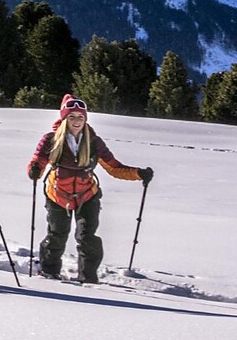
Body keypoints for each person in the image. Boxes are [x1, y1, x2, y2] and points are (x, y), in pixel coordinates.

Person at [27, 94, 153, 284]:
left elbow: (114, 167)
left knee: (87, 236)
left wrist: (138, 174)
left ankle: (88, 278)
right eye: (72, 116)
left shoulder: (93, 141)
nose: (76, 121)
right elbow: (37, 161)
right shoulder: (50, 140)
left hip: (87, 195)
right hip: (58, 195)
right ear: (64, 118)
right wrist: (34, 170)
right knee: (57, 235)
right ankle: (49, 271)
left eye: (80, 117)